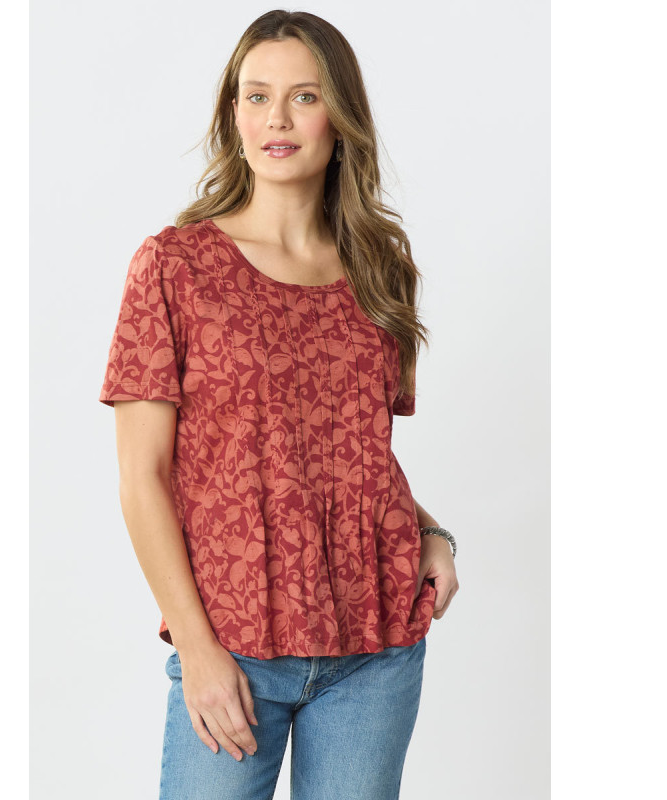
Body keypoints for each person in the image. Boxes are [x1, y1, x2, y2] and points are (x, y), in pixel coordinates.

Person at [98, 10, 459, 800]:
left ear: (341, 116)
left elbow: (352, 455)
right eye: (257, 96)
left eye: (304, 96)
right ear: (233, 114)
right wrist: (198, 651)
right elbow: (141, 478)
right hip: (233, 645)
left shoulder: (381, 270)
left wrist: (432, 533)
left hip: (376, 649)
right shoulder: (174, 267)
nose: (278, 120)